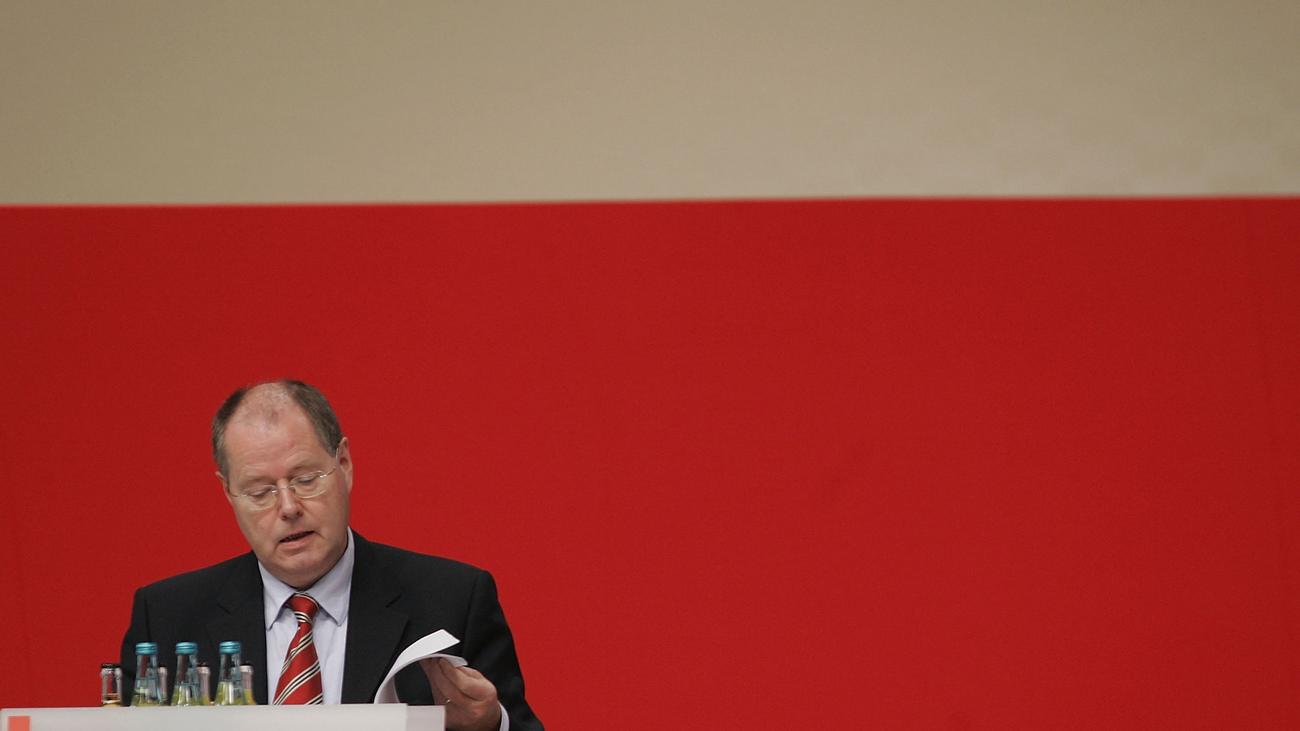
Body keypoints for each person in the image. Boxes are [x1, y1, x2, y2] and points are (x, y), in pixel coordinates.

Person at [119, 380, 543, 731]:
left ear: (344, 463)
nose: (288, 507)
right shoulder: (168, 618)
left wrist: (489, 724)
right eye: (260, 491)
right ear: (228, 493)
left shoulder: (452, 601)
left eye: (305, 479)